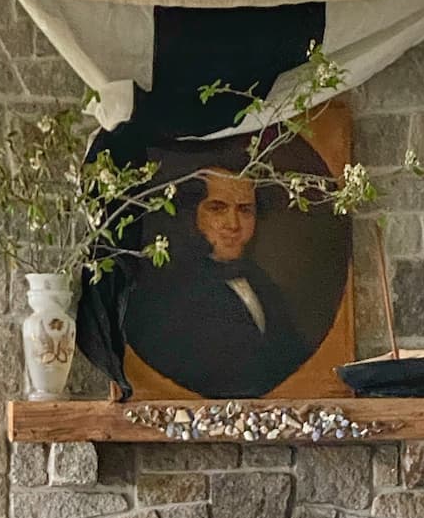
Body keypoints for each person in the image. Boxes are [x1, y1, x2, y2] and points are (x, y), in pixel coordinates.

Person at [123, 169, 313, 398]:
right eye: (217, 208)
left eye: (245, 210)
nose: (233, 224)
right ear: (192, 215)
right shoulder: (169, 292)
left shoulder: (262, 284)